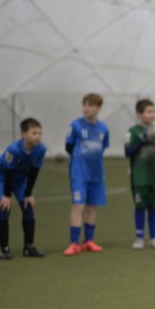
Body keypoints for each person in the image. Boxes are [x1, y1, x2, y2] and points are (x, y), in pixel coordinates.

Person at [0, 118, 47, 259]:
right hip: (1, 178)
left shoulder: (41, 149)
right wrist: (7, 196)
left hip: (20, 180)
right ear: (24, 134)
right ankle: (3, 249)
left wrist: (28, 194)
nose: (38, 136)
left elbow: (34, 172)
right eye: (34, 133)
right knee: (5, 207)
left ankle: (29, 247)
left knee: (28, 207)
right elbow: (8, 172)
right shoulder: (13, 149)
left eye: (40, 133)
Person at [64, 93, 109, 256]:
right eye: (84, 105)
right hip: (79, 174)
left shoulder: (103, 128)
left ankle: (89, 241)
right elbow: (68, 147)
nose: (86, 108)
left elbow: (102, 148)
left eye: (90, 105)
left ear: (99, 108)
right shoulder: (75, 125)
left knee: (92, 206)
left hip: (96, 174)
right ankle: (74, 243)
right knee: (78, 206)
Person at [125, 99, 155, 250]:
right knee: (140, 206)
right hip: (140, 177)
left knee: (154, 206)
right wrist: (143, 139)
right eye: (148, 112)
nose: (152, 115)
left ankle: (154, 237)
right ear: (139, 114)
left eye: (153, 111)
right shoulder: (133, 132)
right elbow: (128, 152)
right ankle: (139, 237)